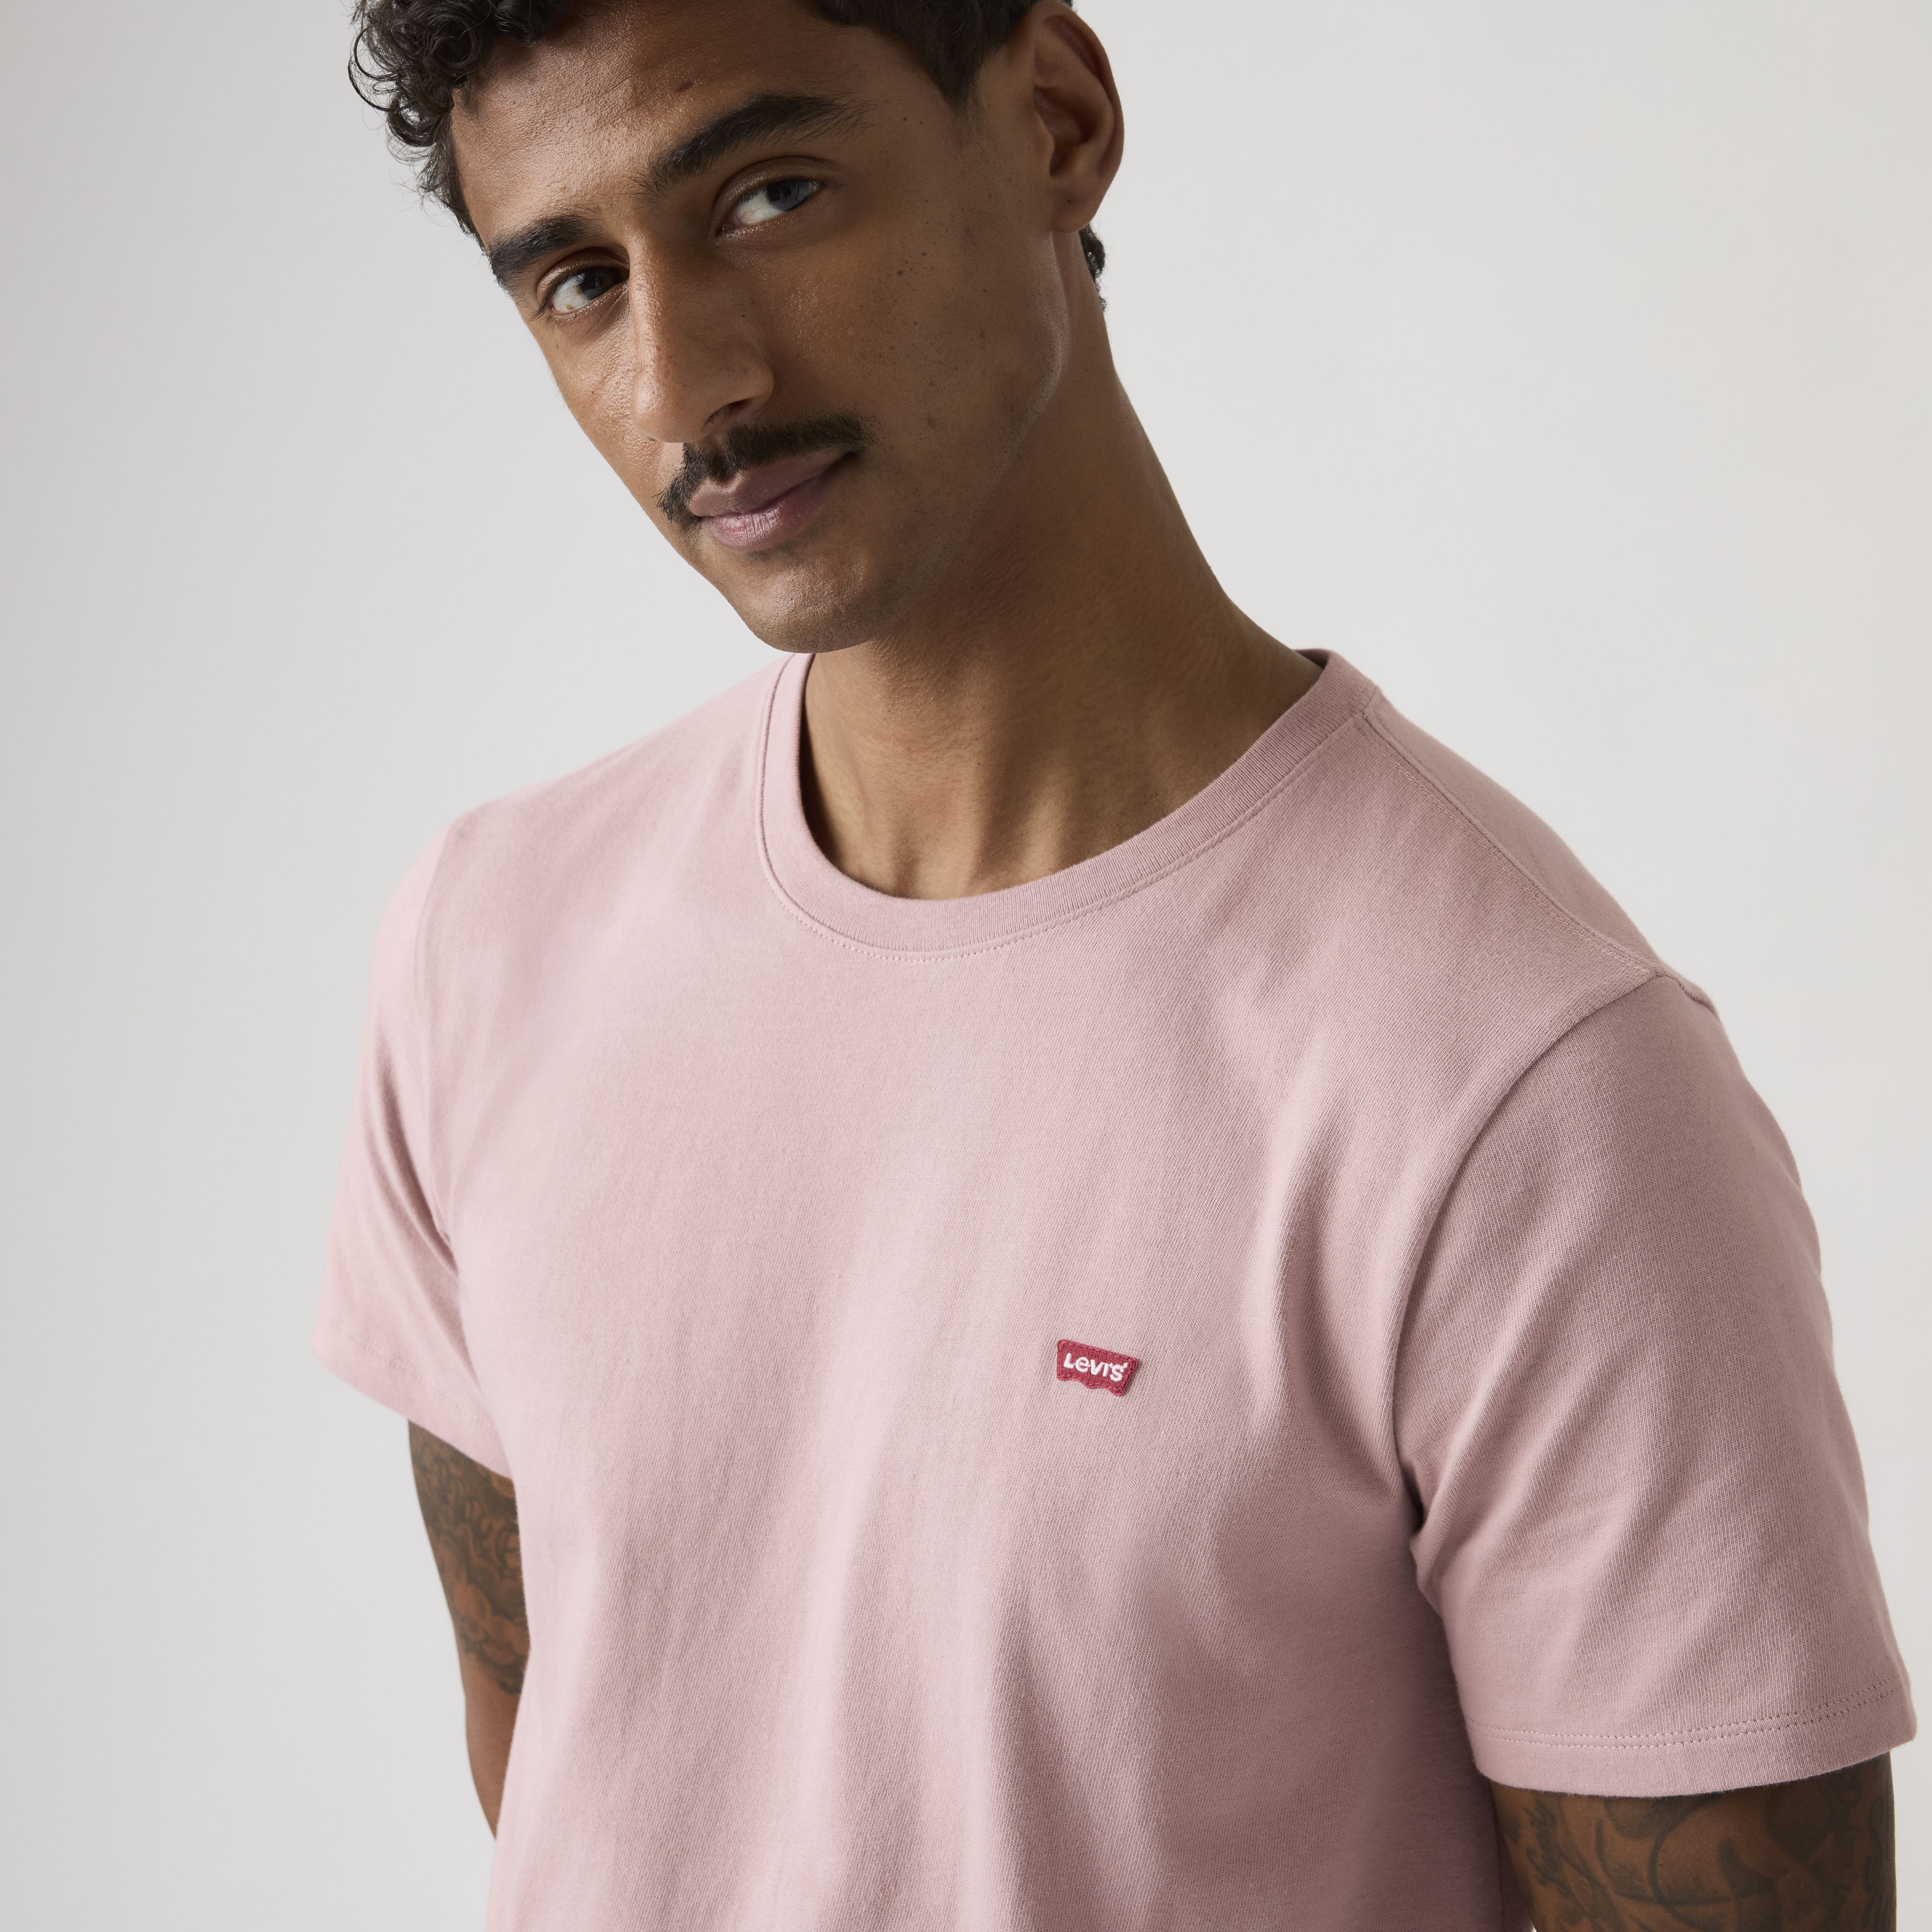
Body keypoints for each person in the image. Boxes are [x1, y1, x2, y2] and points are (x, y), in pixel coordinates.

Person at [316, 2, 1912, 1925]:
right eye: (578, 282)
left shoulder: (1526, 1091)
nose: (689, 383)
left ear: (1058, 121)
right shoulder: (489, 944)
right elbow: (581, 1774)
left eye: (769, 195)